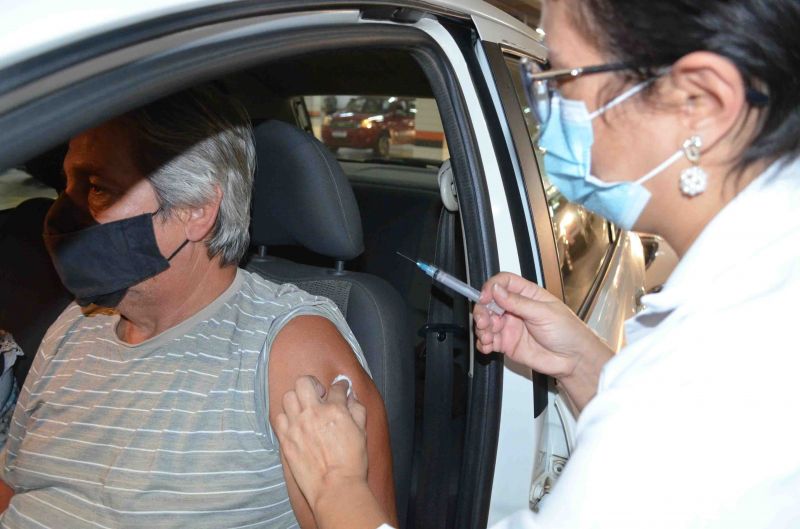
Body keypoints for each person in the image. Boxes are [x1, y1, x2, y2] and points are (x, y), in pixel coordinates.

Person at [272, 0, 800, 527]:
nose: (544, 134)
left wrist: (336, 485)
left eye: (562, 80)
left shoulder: (735, 364)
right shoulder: (761, 292)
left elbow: (671, 439)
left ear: (700, 101)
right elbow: (676, 455)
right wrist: (580, 363)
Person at [0, 87, 396, 529]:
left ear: (197, 208)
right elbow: (13, 488)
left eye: (97, 188)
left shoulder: (286, 351)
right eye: (67, 185)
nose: (60, 212)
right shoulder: (73, 325)